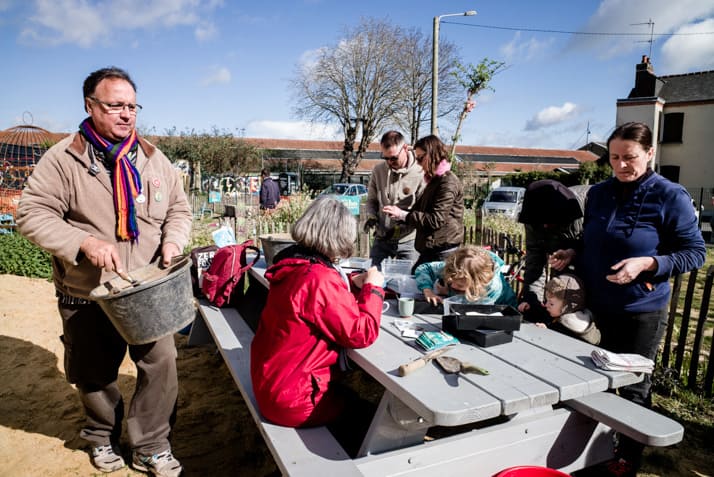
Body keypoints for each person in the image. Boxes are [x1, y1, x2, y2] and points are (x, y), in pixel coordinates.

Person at [16, 67, 191, 477]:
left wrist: (173, 240)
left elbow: (178, 210)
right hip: (87, 290)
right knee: (93, 371)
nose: (126, 114)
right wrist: (83, 243)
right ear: (90, 106)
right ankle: (100, 435)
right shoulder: (63, 159)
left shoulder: (151, 158)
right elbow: (31, 214)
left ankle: (151, 444)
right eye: (115, 105)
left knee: (160, 363)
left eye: (132, 106)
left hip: (145, 289)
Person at [578, 122, 705, 476]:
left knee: (633, 390)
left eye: (629, 157)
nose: (620, 165)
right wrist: (570, 253)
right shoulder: (599, 193)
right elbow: (594, 242)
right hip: (596, 308)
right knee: (591, 383)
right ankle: (591, 455)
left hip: (640, 312)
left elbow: (695, 253)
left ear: (650, 154)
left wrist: (650, 263)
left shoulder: (670, 195)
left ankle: (625, 462)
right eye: (614, 158)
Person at [250, 197, 384, 431]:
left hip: (271, 382)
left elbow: (318, 301)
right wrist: (374, 288)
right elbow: (361, 333)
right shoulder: (318, 279)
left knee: (349, 396)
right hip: (294, 400)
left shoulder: (294, 265)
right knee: (368, 414)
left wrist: (353, 281)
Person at [383, 135, 464, 270]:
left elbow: (435, 220)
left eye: (421, 158)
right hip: (432, 248)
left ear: (433, 155)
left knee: (425, 285)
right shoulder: (434, 181)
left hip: (443, 251)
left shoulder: (447, 182)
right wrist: (399, 215)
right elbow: (421, 211)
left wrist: (403, 215)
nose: (419, 163)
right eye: (417, 158)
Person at [516, 179, 590, 323]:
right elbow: (535, 261)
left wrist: (574, 251)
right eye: (540, 223)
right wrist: (532, 299)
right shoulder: (533, 218)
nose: (544, 226)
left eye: (549, 223)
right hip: (564, 272)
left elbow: (598, 246)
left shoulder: (588, 205)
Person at [364, 131, 425, 268]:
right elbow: (372, 200)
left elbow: (423, 210)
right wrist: (372, 216)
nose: (389, 163)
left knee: (410, 281)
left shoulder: (420, 172)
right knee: (372, 275)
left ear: (405, 148)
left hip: (408, 240)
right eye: (385, 158)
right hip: (382, 237)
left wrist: (403, 216)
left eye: (393, 158)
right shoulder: (379, 170)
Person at [415, 245, 517, 307]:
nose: (453, 286)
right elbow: (424, 268)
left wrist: (447, 292)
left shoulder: (493, 287)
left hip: (501, 313)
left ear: (476, 283)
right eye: (451, 282)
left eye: (459, 285)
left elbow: (473, 309)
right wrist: (427, 291)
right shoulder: (457, 268)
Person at [535, 274, 600, 345]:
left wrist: (547, 332)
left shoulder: (568, 329)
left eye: (551, 304)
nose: (546, 305)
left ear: (566, 307)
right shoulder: (558, 313)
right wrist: (530, 308)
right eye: (546, 300)